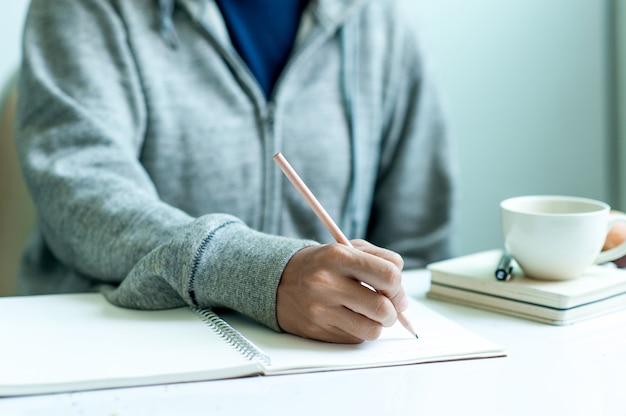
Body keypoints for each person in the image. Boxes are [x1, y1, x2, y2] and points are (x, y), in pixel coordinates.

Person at [15, 0, 456, 343]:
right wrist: (266, 275)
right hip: (115, 352)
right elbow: (81, 196)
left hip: (324, 368)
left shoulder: (378, 19)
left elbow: (418, 240)